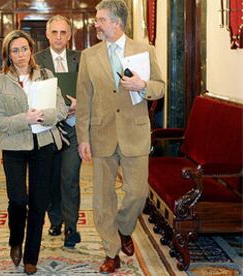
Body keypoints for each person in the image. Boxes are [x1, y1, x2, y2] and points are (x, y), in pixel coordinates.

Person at [75, 0, 165, 273]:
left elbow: (160, 88)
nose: (96, 24)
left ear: (116, 22)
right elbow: (84, 98)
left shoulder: (144, 50)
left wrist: (142, 85)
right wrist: (83, 137)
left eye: (101, 19)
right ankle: (111, 250)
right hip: (101, 134)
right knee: (102, 199)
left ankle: (124, 228)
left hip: (134, 133)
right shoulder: (89, 56)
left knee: (137, 194)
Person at [0, 30, 67, 275]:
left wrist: (45, 116)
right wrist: (26, 118)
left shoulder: (45, 75)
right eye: (15, 50)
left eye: (24, 49)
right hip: (14, 146)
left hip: (43, 144)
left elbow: (62, 109)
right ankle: (15, 241)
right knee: (18, 200)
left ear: (31, 50)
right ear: (8, 55)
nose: (21, 54)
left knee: (38, 202)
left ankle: (31, 256)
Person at [34, 15, 82, 248]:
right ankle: (55, 220)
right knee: (51, 178)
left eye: (63, 32)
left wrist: (80, 104)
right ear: (47, 34)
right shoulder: (36, 61)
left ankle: (71, 228)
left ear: (69, 35)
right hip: (48, 130)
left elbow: (92, 88)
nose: (59, 37)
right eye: (55, 32)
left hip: (74, 130)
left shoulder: (81, 59)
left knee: (69, 177)